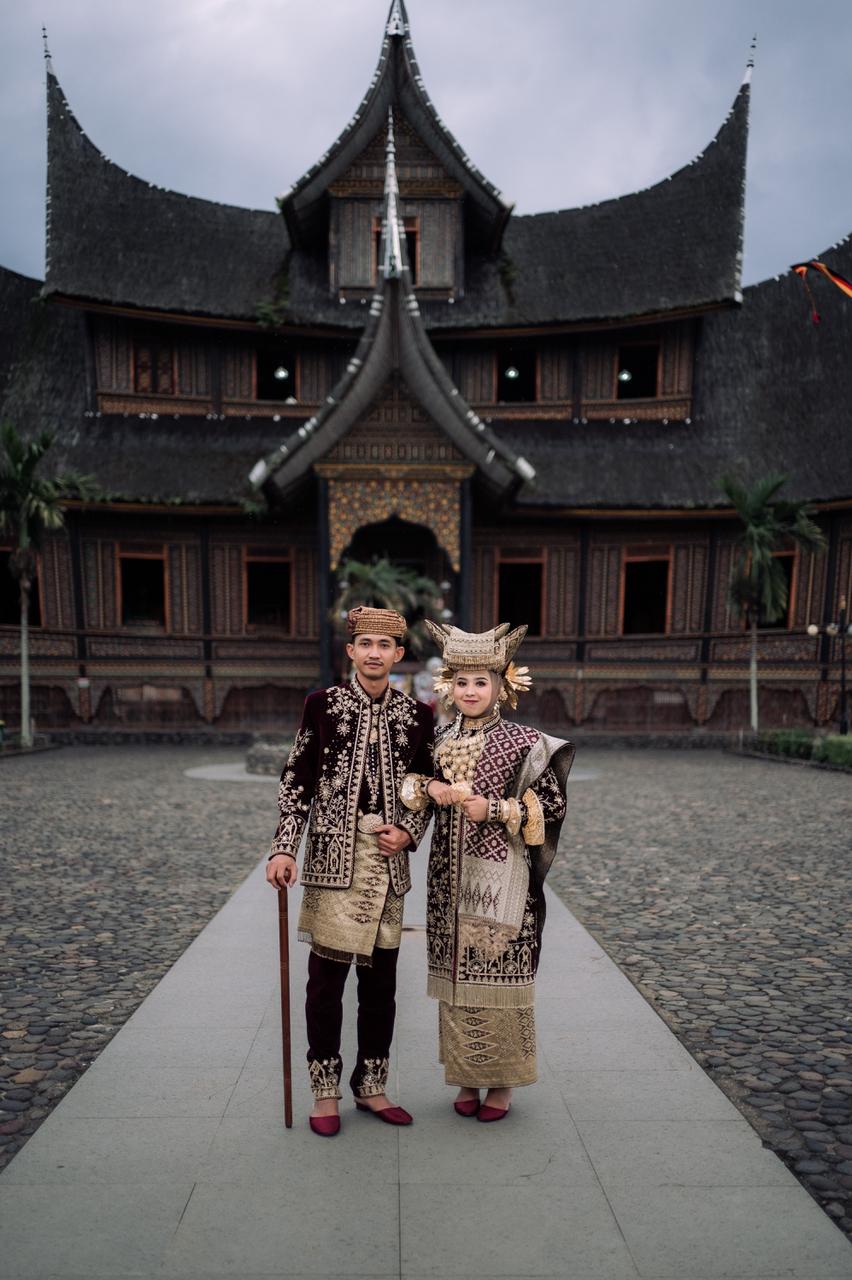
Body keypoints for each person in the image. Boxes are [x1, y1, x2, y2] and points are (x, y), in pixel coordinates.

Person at [266, 606, 434, 1136]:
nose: (374, 653)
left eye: (385, 645)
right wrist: (284, 848)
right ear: (351, 651)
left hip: (386, 865)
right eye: (365, 644)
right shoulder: (322, 706)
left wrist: (408, 831)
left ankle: (372, 1085)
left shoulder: (419, 715)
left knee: (380, 986)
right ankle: (324, 1090)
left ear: (398, 654)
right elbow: (297, 778)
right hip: (332, 862)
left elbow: (425, 788)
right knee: (325, 985)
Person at [401, 621, 574, 1121]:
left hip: (505, 882)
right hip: (447, 880)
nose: (471, 691)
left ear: (502, 684)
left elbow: (552, 805)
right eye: (462, 682)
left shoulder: (525, 742)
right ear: (449, 686)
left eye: (481, 681)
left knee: (501, 978)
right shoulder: (438, 740)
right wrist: (424, 794)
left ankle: (502, 1083)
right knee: (458, 980)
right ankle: (466, 1077)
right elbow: (416, 793)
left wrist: (496, 809)